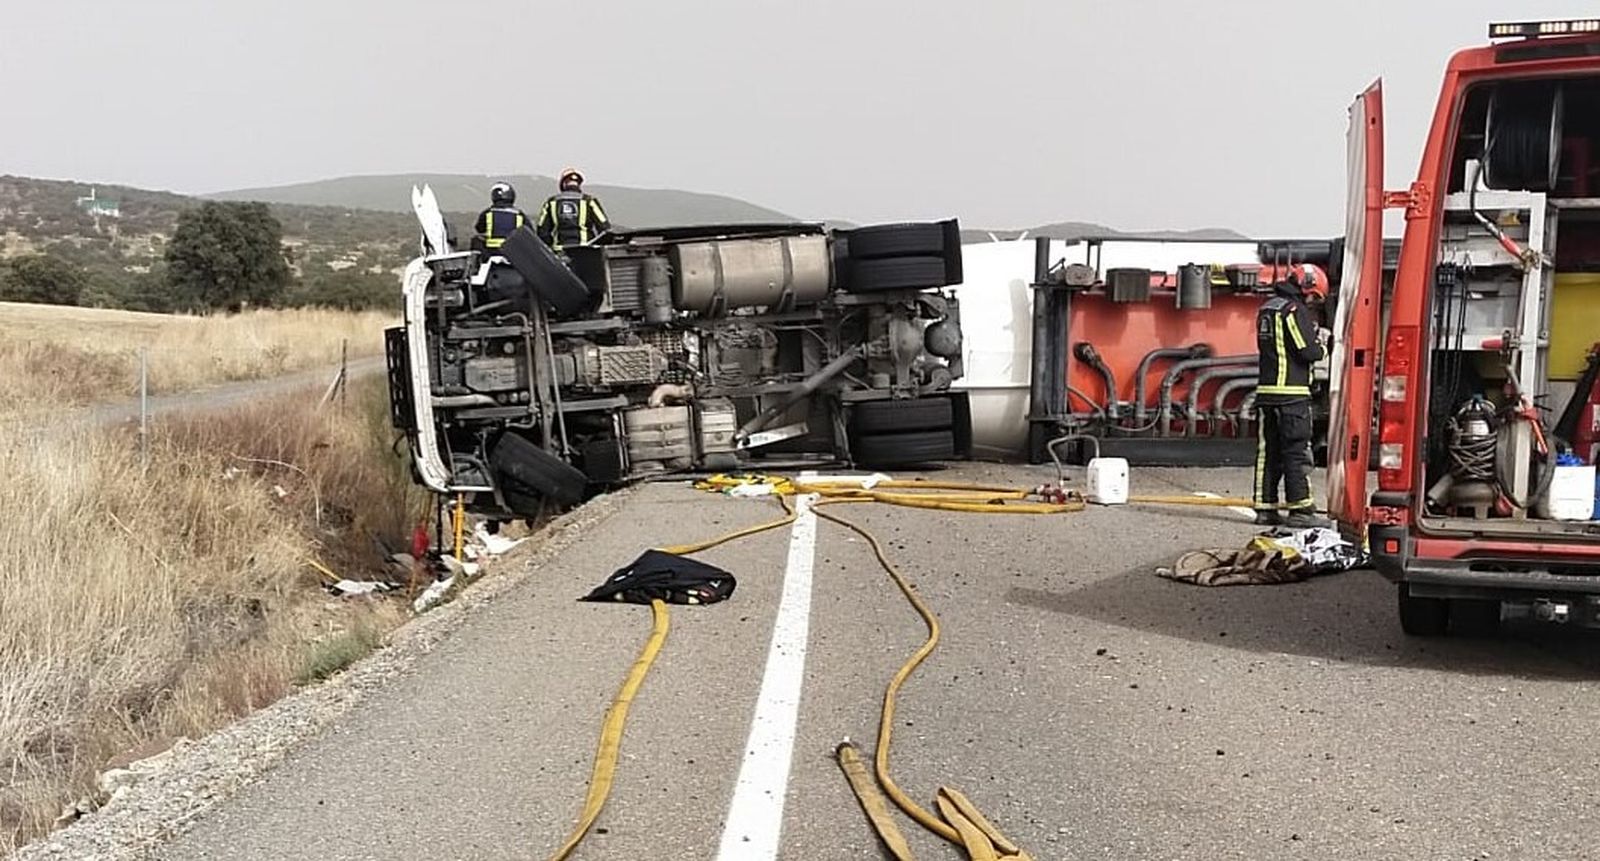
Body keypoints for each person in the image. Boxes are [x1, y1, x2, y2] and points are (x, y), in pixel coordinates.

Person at [1253, 264, 1331, 528]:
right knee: (1296, 452)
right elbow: (1306, 351)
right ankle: (1300, 509)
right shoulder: (1293, 311)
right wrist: (1323, 345)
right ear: (1307, 287)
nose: (1312, 303)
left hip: (1266, 393)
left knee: (1268, 453)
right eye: (1314, 297)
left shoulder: (1267, 309)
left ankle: (1265, 508)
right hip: (1292, 395)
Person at [537, 168, 611, 251]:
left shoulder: (551, 202)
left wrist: (550, 248)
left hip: (560, 251)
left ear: (563, 184)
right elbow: (605, 228)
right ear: (579, 184)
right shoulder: (589, 201)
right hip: (586, 251)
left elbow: (542, 231)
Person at [473, 182, 528, 252]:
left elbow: (479, 228)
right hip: (513, 253)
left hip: (491, 251)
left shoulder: (488, 213)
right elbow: (529, 233)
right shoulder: (519, 214)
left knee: (476, 239)